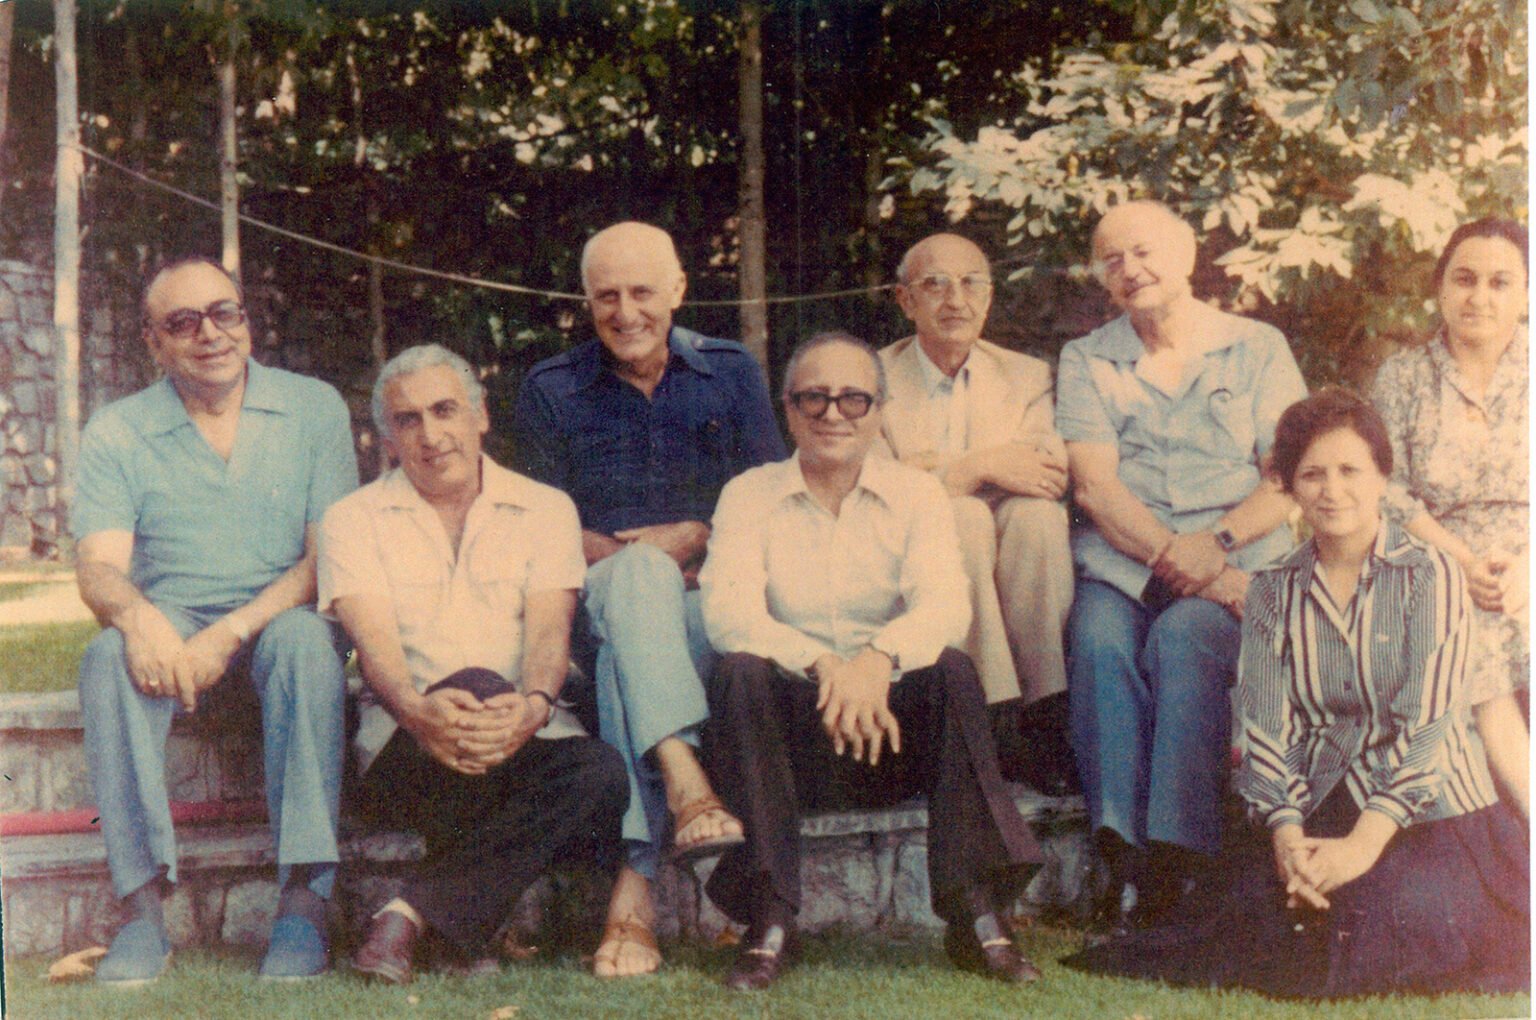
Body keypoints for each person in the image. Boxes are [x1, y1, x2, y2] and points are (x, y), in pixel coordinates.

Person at [1065, 388, 1530, 996]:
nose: (1332, 490)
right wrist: (1286, 836)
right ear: (1287, 485)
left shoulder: (1430, 574)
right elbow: (1266, 730)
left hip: (1430, 812)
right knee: (1260, 928)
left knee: (1368, 932)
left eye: (1350, 471)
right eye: (1312, 474)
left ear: (1383, 478)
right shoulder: (1271, 590)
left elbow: (1428, 729)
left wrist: (1359, 849)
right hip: (1321, 807)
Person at [699, 331, 1043, 990]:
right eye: (815, 399)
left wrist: (876, 660)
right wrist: (829, 666)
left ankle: (976, 916)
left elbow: (945, 606)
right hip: (791, 742)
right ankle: (769, 920)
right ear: (788, 409)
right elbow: (729, 615)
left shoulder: (916, 494)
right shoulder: (748, 494)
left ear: (880, 411)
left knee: (949, 668)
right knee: (740, 668)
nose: (834, 414)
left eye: (854, 399)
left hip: (891, 737)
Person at [512, 221, 786, 977]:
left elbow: (769, 502)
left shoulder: (730, 372)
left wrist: (694, 537)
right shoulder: (551, 388)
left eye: (642, 291)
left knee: (634, 648)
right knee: (636, 586)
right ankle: (686, 782)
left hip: (711, 601)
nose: (625, 311)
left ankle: (634, 902)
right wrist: (638, 561)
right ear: (586, 302)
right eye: (607, 295)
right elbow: (543, 527)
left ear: (678, 291)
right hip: (602, 598)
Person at [74, 257, 357, 984]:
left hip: (278, 617)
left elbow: (329, 560)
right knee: (107, 658)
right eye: (183, 322)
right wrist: (138, 618)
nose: (210, 334)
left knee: (303, 644)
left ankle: (303, 901)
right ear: (153, 343)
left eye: (224, 312)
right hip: (173, 622)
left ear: (247, 321)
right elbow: (99, 567)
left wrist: (229, 633)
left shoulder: (314, 407)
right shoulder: (118, 429)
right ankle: (141, 910)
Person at [320, 345, 628, 985]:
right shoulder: (352, 520)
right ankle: (463, 925)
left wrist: (536, 706)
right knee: (472, 686)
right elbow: (375, 653)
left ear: (480, 416)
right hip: (404, 742)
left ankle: (412, 916)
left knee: (600, 772)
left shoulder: (546, 509)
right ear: (388, 438)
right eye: (408, 420)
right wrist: (419, 711)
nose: (431, 436)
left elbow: (550, 632)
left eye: (444, 411)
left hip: (525, 733)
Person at [1055, 201, 1306, 928]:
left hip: (1236, 555)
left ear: (1188, 254)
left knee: (1184, 639)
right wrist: (1177, 557)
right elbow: (1096, 487)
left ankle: (1176, 859)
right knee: (1100, 644)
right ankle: (1119, 852)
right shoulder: (1088, 358)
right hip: (1129, 559)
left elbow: (1286, 476)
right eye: (1111, 260)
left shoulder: (1256, 347)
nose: (1129, 270)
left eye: (1143, 252)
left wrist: (1219, 550)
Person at [875, 233, 1075, 790]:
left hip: (1009, 539)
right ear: (904, 300)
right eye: (934, 284)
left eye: (972, 284)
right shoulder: (872, 377)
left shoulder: (1027, 375)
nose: (955, 300)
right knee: (961, 518)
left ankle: (1045, 713)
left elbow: (1047, 474)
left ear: (988, 297)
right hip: (898, 552)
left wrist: (937, 469)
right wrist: (982, 466)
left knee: (1037, 519)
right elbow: (874, 489)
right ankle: (991, 720)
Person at [1371, 217, 1529, 818]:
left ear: (1525, 293)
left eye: (1499, 282)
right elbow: (1388, 492)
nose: (1479, 297)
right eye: (1464, 279)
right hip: (1439, 561)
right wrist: (1463, 564)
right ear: (1439, 287)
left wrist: (1526, 567)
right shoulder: (1404, 377)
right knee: (1473, 630)